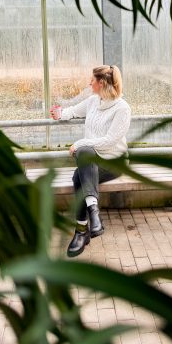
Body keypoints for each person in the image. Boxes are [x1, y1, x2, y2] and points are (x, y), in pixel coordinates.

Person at [50, 65, 131, 257]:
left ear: (101, 83)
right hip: (91, 162)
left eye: (92, 80)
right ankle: (93, 214)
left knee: (80, 171)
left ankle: (81, 232)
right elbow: (73, 111)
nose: (89, 83)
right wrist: (59, 114)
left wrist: (80, 143)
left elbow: (110, 141)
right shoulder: (94, 101)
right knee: (82, 167)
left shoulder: (122, 109)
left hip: (113, 162)